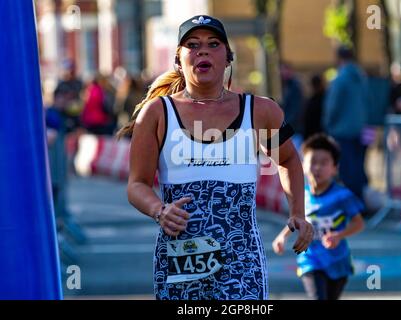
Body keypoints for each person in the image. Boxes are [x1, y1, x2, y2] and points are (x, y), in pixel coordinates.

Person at [117, 15, 313, 300]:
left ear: (228, 57)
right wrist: (159, 210)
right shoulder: (157, 114)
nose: (203, 51)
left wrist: (297, 212)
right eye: (192, 45)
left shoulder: (259, 111)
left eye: (213, 44)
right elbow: (137, 185)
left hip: (241, 262)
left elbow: (288, 160)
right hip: (181, 259)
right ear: (179, 59)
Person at [272, 134, 365, 300]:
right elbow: (297, 220)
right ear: (303, 165)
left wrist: (339, 235)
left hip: (337, 261)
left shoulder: (342, 196)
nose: (317, 168)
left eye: (324, 163)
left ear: (335, 168)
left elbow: (359, 223)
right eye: (313, 162)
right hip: (310, 259)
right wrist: (282, 236)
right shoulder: (301, 195)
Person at [322, 45, 369, 203]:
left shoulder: (340, 79)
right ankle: (359, 202)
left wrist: (328, 123)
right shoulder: (362, 78)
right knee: (358, 167)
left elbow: (333, 105)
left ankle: (351, 205)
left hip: (342, 130)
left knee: (347, 169)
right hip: (361, 129)